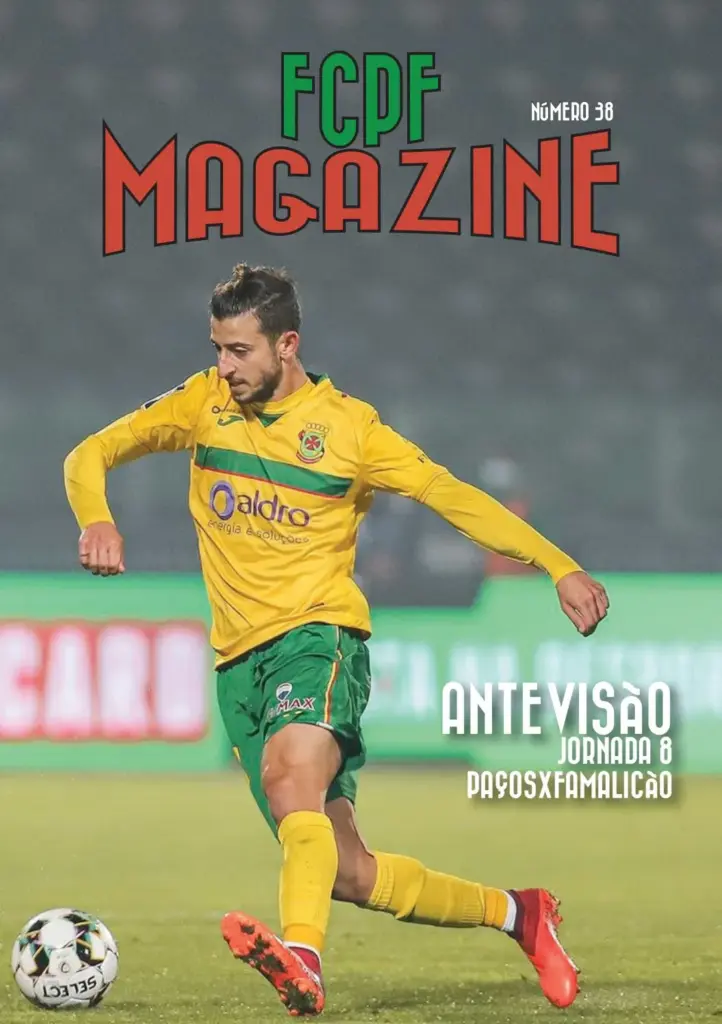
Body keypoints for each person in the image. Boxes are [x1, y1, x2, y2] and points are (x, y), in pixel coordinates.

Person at [64, 264, 609, 1018]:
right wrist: (96, 517)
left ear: (287, 345)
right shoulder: (203, 403)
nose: (225, 366)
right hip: (238, 666)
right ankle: (522, 913)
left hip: (320, 639)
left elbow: (453, 496)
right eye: (217, 348)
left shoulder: (350, 431)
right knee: (346, 871)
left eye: (240, 351)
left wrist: (557, 564)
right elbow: (87, 454)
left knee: (291, 778)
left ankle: (305, 961)